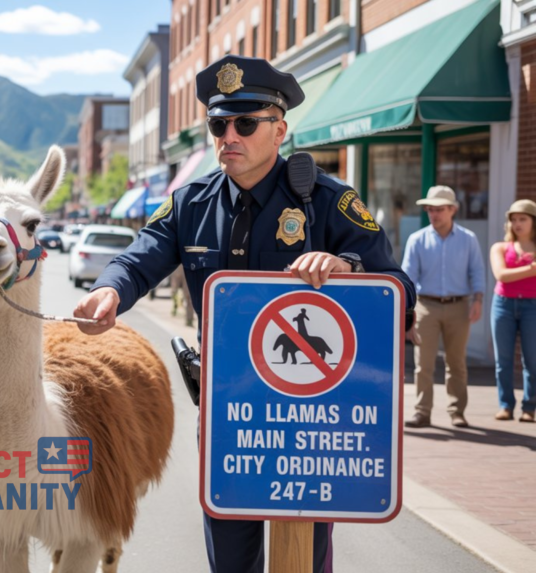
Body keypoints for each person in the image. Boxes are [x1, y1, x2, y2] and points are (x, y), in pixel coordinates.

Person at [73, 55, 416, 573]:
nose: (228, 135)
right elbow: (138, 258)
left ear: (279, 130)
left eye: (245, 123)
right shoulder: (190, 203)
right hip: (228, 410)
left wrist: (347, 267)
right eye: (218, 124)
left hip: (309, 415)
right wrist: (109, 292)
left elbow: (400, 290)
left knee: (304, 557)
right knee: (230, 558)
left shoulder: (327, 201)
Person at [402, 186, 485, 429]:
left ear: (453, 210)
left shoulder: (468, 239)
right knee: (423, 363)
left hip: (459, 305)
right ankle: (422, 412)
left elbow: (477, 271)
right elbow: (408, 277)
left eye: (439, 209)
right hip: (426, 305)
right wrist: (409, 311)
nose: (433, 214)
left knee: (456, 362)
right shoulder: (417, 239)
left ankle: (457, 411)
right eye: (430, 210)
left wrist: (478, 300)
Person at [489, 199, 536, 423]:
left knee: (532, 360)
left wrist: (519, 271)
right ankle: (505, 405)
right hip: (503, 305)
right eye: (513, 219)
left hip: (532, 306)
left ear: (533, 222)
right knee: (503, 360)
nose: (517, 223)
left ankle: (530, 407)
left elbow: (510, 274)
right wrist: (532, 269)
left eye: (523, 219)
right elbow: (501, 276)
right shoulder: (500, 247)